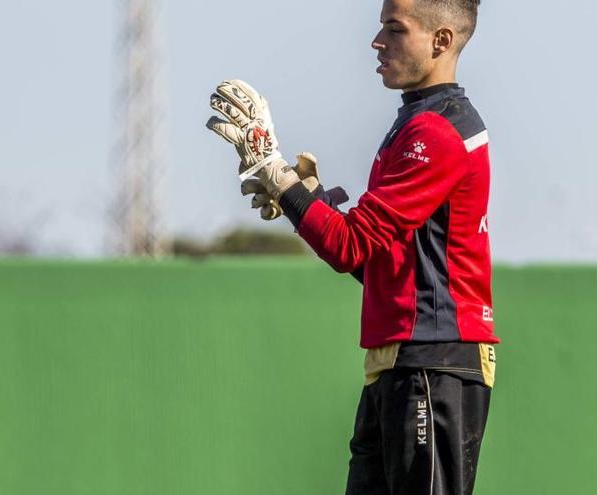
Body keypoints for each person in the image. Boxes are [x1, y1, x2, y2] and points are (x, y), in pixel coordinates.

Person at [207, 1, 497, 493]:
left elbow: (350, 248)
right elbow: (380, 262)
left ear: (441, 41)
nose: (376, 41)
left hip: (433, 360)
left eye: (394, 29)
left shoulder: (436, 132)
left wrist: (278, 179)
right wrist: (308, 203)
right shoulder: (418, 123)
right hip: (406, 361)